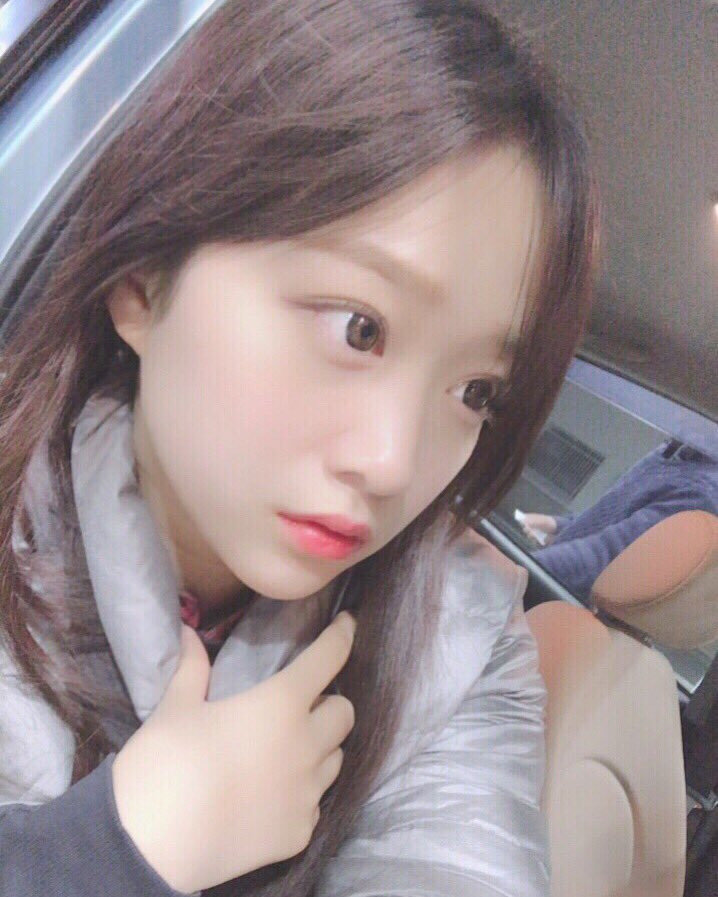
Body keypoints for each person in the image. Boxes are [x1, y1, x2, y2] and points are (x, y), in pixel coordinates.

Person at [0, 2, 598, 895]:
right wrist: (113, 851)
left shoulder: (457, 645)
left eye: (477, 391)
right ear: (142, 282)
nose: (394, 462)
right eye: (358, 328)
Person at [517, 438, 718, 602]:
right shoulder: (676, 450)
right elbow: (614, 515)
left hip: (559, 602)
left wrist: (513, 570)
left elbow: (609, 559)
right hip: (541, 584)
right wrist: (559, 526)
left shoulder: (706, 490)